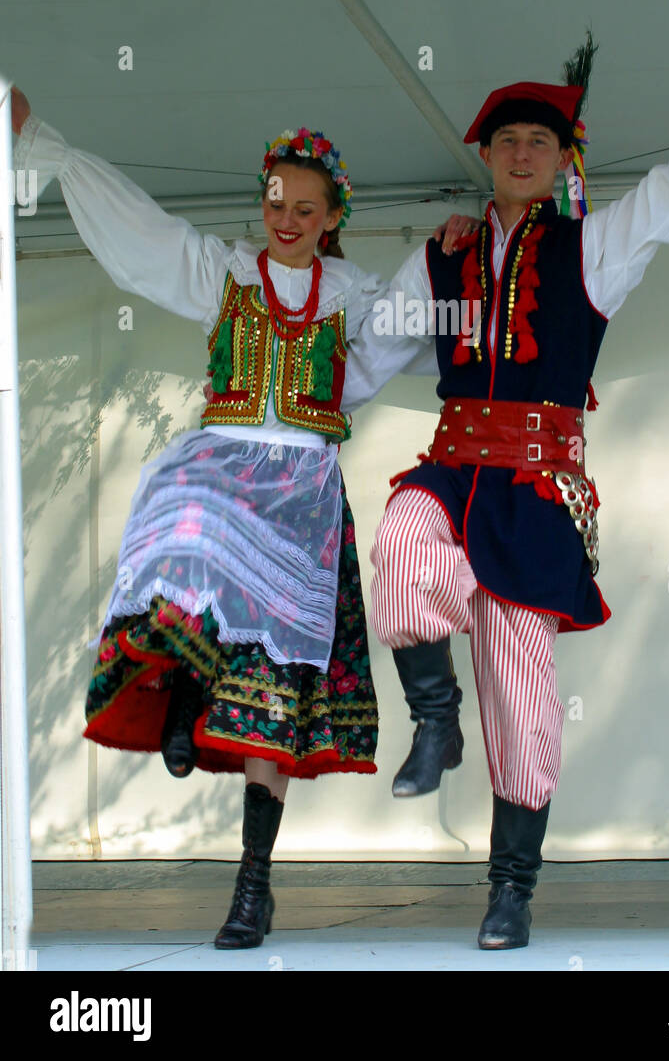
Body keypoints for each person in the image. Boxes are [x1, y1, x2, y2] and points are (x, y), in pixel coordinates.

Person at [344, 24, 669, 951]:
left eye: (539, 142)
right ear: (486, 160)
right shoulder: (441, 258)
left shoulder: (593, 248)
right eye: (506, 143)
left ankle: (511, 888)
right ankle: (434, 721)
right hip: (452, 470)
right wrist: (279, 419)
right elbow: (367, 356)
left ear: (562, 158)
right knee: (402, 553)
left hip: (536, 488)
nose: (522, 153)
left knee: (521, 688)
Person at [8, 84, 470, 949]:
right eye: (274, 202)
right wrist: (51, 146)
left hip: (301, 487)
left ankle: (252, 885)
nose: (284, 219)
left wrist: (453, 254)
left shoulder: (351, 295)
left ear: (332, 217)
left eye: (304, 208)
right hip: (221, 462)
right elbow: (139, 232)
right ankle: (184, 687)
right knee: (181, 527)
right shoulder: (223, 270)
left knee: (274, 690)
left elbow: (421, 320)